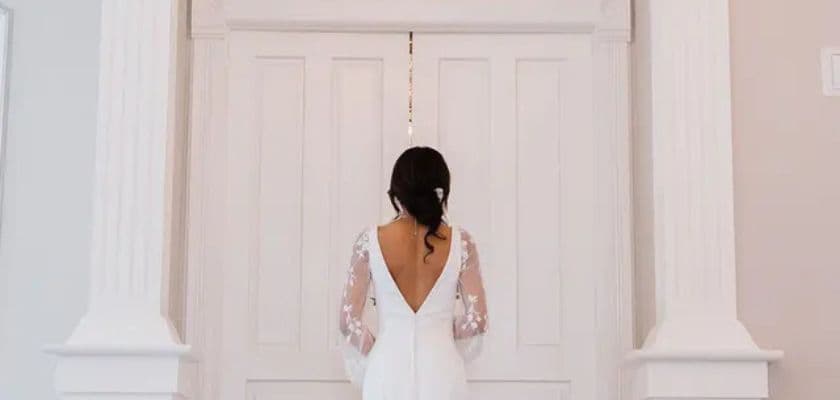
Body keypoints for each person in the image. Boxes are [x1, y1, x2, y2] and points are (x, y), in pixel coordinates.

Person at [338, 146, 489, 399]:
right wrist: (440, 330)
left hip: (386, 369)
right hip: (442, 370)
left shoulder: (371, 240)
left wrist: (380, 345)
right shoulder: (461, 242)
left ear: (397, 191)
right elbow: (478, 320)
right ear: (441, 190)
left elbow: (348, 320)